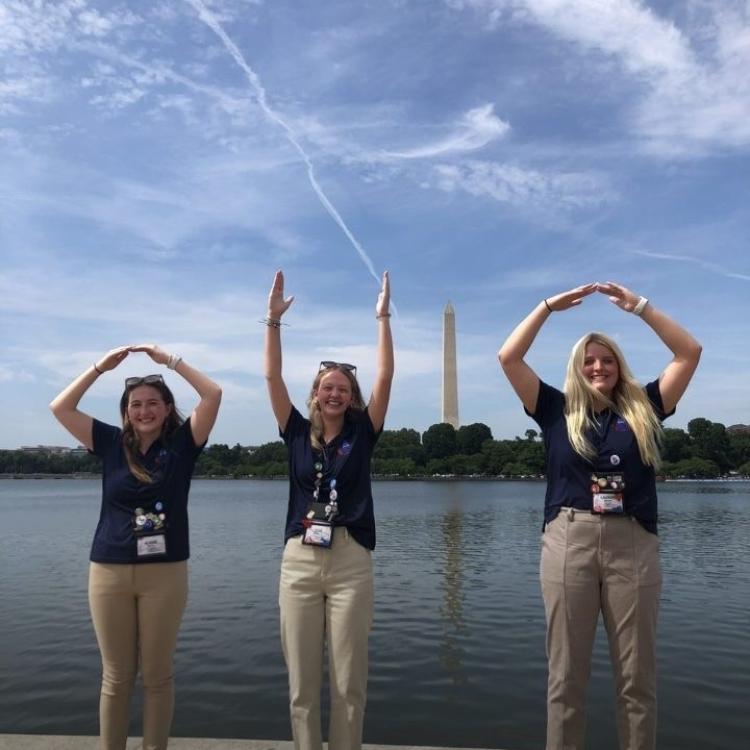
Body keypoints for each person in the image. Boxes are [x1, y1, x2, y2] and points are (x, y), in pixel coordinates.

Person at [498, 281, 701, 750]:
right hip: (570, 540)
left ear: (618, 366)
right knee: (566, 678)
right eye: (589, 360)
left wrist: (642, 308)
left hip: (634, 541)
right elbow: (509, 357)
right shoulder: (554, 409)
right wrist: (547, 307)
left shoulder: (646, 407)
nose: (598, 367)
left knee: (637, 679)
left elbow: (688, 353)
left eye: (607, 359)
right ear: (577, 367)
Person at [49, 344, 221, 750]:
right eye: (136, 405)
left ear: (166, 408)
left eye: (152, 404)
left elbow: (212, 395)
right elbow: (60, 406)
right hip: (108, 571)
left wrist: (169, 361)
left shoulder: (184, 443)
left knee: (158, 676)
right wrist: (98, 368)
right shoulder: (109, 442)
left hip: (166, 574)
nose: (144, 411)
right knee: (116, 677)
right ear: (126, 412)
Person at [264, 269, 394, 750]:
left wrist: (382, 317)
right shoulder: (295, 430)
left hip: (350, 558)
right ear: (315, 393)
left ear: (352, 397)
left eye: (343, 388)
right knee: (301, 684)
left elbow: (385, 374)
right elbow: (272, 376)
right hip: (299, 558)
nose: (334, 393)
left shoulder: (364, 432)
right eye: (327, 387)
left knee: (348, 682)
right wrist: (273, 322)